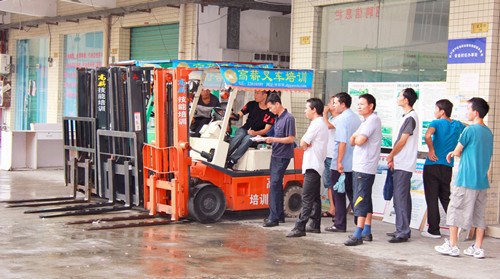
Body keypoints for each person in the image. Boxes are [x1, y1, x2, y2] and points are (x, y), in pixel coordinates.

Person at [435, 97, 493, 258]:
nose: (466, 112)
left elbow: (458, 150)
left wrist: (452, 153)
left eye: (468, 109)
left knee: (455, 210)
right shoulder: (488, 132)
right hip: (482, 180)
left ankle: (453, 245)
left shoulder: (470, 130)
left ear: (475, 112)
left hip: (466, 178)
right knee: (479, 215)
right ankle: (478, 248)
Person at [422, 99, 466, 238]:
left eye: (436, 109)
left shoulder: (436, 123)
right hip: (447, 166)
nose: (434, 111)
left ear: (442, 111)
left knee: (432, 198)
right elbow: (470, 128)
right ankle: (457, 226)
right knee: (446, 197)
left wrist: (431, 150)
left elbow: (427, 135)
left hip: (432, 165)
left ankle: (433, 230)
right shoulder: (458, 125)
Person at [286, 98, 328, 237]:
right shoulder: (320, 123)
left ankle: (300, 226)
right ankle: (315, 224)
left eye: (306, 108)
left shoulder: (316, 124)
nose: (305, 111)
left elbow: (303, 142)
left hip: (313, 165)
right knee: (314, 196)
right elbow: (304, 143)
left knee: (307, 197)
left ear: (314, 110)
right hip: (315, 165)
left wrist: (305, 144)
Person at [344, 94, 381, 246]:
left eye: (362, 104)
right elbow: (352, 141)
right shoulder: (365, 121)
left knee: (359, 199)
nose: (358, 107)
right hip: (363, 166)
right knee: (366, 198)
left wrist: (356, 136)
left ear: (371, 106)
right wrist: (355, 136)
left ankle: (358, 234)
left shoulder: (372, 120)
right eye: (358, 104)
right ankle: (366, 230)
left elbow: (358, 140)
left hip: (364, 167)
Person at [325, 92, 361, 233]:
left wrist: (339, 162)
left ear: (342, 104)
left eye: (335, 103)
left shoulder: (341, 119)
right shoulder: (356, 118)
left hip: (340, 164)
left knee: (338, 194)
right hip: (354, 163)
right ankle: (359, 221)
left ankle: (339, 224)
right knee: (352, 194)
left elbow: (342, 142)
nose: (333, 105)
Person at [386, 88, 419, 243]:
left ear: (406, 100)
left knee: (400, 197)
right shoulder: (406, 116)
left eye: (400, 95)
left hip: (404, 163)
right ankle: (402, 228)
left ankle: (403, 231)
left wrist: (391, 155)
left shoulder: (411, 117)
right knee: (403, 197)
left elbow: (403, 140)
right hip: (401, 162)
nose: (398, 98)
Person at [263, 93, 296, 227]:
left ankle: (274, 217)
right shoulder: (278, 118)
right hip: (276, 154)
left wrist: (273, 140)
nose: (270, 111)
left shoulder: (288, 118)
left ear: (277, 104)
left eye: (271, 108)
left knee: (275, 184)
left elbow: (291, 139)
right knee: (275, 184)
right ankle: (279, 215)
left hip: (283, 155)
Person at [226, 90, 275, 169]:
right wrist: (232, 115)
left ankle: (232, 160)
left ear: (265, 95)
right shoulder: (251, 104)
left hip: (259, 135)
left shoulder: (270, 111)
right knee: (240, 135)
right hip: (245, 129)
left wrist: (254, 133)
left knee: (248, 138)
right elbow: (239, 115)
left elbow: (266, 130)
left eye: (257, 93)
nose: (255, 95)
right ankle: (225, 156)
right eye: (255, 92)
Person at [322, 96, 339, 218]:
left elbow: (328, 126)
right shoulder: (332, 117)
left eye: (332, 102)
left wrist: (324, 113)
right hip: (327, 155)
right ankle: (332, 208)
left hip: (334, 156)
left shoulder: (339, 118)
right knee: (328, 184)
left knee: (335, 184)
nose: (328, 104)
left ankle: (337, 209)